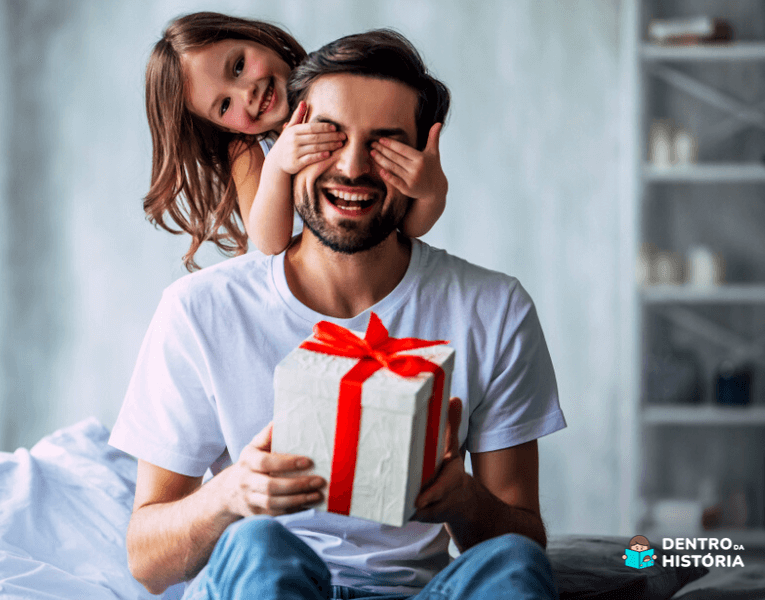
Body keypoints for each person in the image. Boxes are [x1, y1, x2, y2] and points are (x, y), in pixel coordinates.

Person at [111, 29, 567, 600]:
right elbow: (145, 561)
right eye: (327, 137)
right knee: (259, 545)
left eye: (384, 144)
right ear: (288, 141)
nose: (352, 167)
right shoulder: (200, 309)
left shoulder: (493, 309)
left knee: (513, 564)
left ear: (422, 153)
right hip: (269, 579)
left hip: (417, 592)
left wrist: (459, 498)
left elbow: (523, 537)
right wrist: (231, 495)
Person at [143, 12, 447, 270]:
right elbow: (270, 243)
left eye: (238, 67)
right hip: (308, 284)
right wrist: (277, 166)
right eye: (224, 106)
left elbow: (408, 229)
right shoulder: (250, 152)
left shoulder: (336, 89)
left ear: (259, 38)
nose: (245, 93)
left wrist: (431, 191)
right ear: (218, 127)